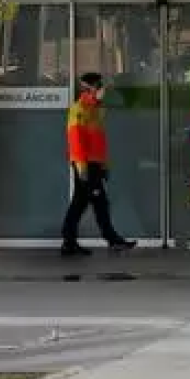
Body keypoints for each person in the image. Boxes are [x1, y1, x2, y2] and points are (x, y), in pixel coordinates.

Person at [60, 73, 137, 257]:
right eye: (99, 86)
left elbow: (99, 143)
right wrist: (82, 168)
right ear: (90, 89)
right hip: (85, 165)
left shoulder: (95, 110)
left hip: (94, 165)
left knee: (91, 203)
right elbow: (75, 141)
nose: (102, 89)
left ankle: (73, 242)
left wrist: (104, 166)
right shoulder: (79, 109)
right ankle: (104, 240)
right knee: (88, 203)